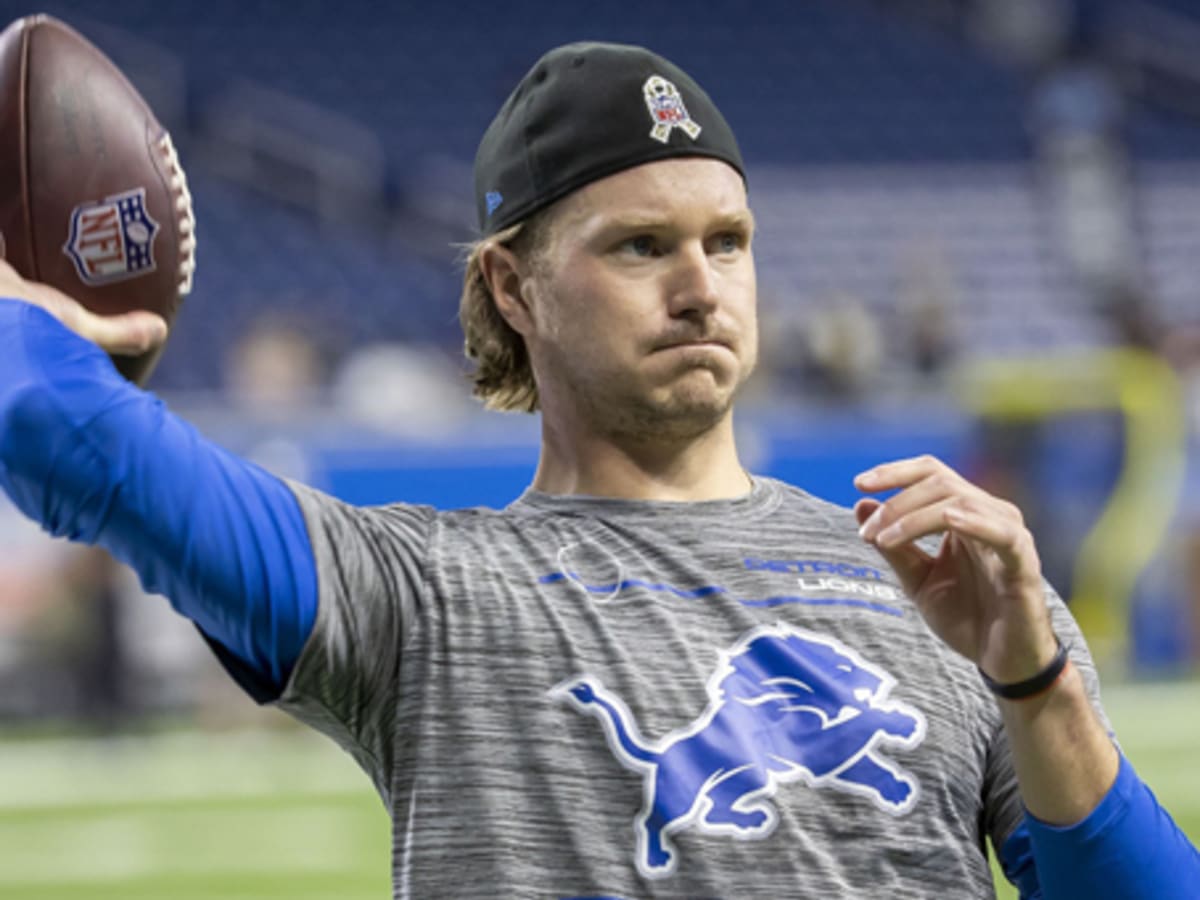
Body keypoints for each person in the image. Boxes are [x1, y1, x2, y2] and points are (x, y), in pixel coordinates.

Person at [0, 41, 1196, 900]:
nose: (701, 286)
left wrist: (1040, 682)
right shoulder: (416, 596)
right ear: (511, 289)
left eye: (727, 242)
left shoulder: (941, 585)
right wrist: (71, 317)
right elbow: (56, 428)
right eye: (640, 245)